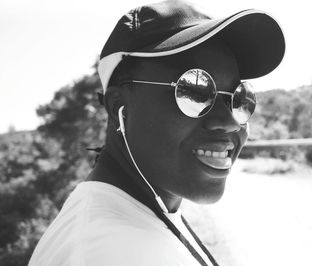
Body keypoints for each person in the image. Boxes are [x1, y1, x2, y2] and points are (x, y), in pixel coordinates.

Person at [29, 0, 285, 265]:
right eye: (195, 91)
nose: (230, 121)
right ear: (119, 106)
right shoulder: (112, 251)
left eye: (239, 96)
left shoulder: (135, 212)